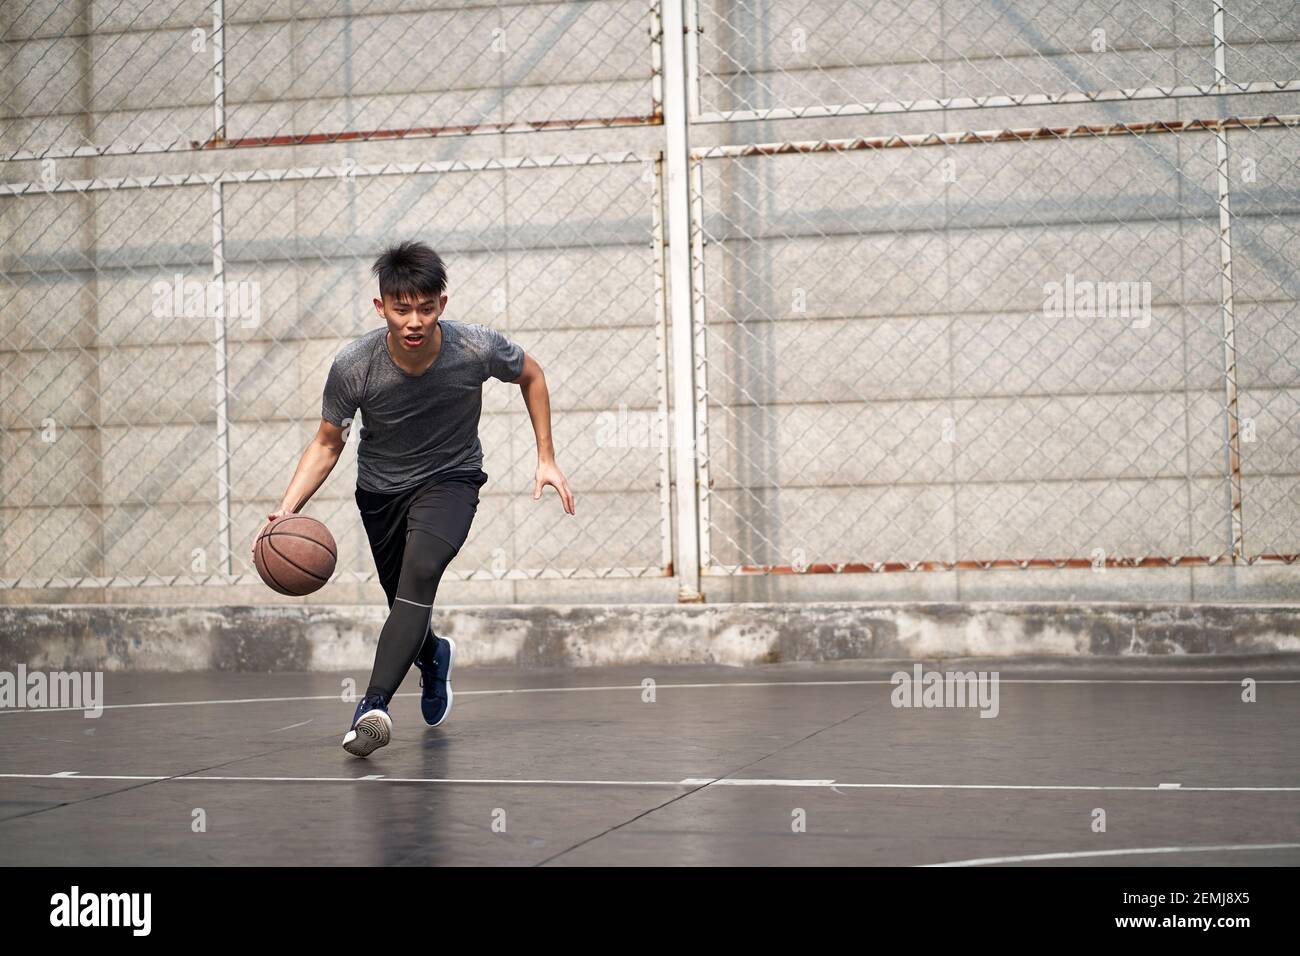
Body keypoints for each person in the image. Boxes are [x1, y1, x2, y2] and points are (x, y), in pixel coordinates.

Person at [254, 239, 575, 757]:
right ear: (380, 307)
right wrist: (288, 508)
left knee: (420, 572)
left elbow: (532, 375)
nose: (414, 321)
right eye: (401, 308)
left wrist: (546, 456)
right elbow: (327, 443)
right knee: (402, 599)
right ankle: (432, 654)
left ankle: (372, 706)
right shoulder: (354, 366)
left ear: (441, 305)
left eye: (426, 308)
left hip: (451, 480)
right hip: (381, 492)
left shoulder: (474, 347)